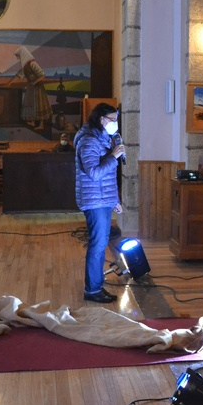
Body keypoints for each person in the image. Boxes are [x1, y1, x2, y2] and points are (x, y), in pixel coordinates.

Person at [74, 102, 124, 303]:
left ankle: (96, 286)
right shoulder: (89, 142)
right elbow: (94, 174)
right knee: (98, 244)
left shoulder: (103, 139)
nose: (115, 124)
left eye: (116, 120)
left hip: (103, 199)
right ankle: (92, 290)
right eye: (112, 120)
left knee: (101, 243)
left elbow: (108, 178)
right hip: (94, 201)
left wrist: (114, 200)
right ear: (101, 119)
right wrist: (113, 156)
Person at [12, 46, 53, 131]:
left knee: (39, 105)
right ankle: (33, 122)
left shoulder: (32, 64)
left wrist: (34, 82)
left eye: (18, 56)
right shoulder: (25, 66)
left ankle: (41, 125)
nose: (18, 58)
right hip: (31, 87)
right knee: (30, 104)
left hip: (37, 88)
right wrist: (10, 82)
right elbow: (19, 75)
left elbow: (42, 75)